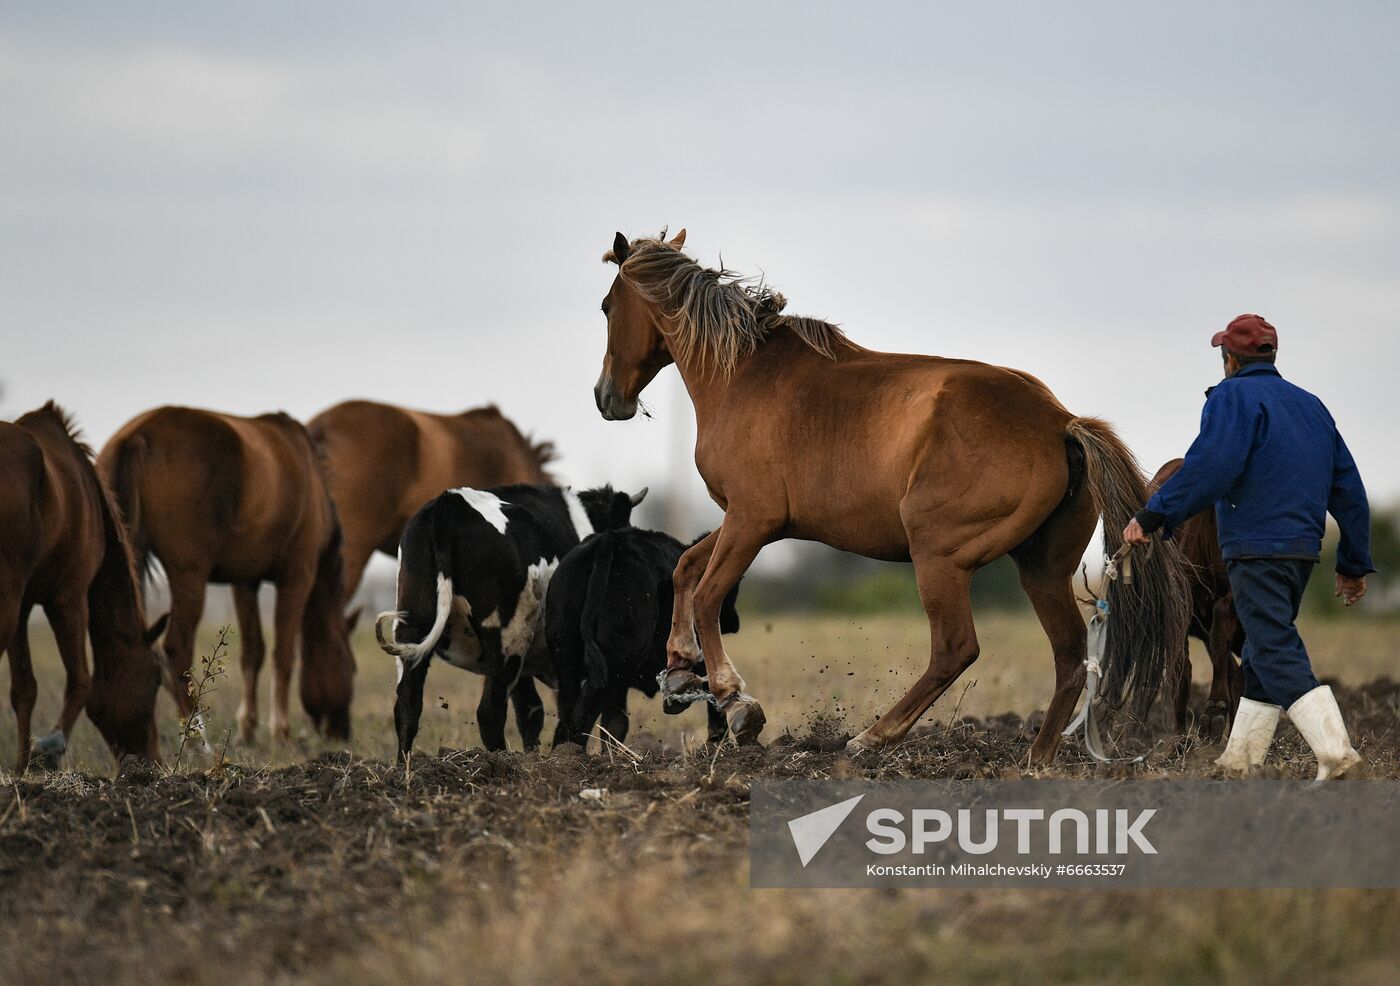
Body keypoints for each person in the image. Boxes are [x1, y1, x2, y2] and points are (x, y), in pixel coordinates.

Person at [1123, 313, 1373, 780]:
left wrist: (1153, 516)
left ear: (1229, 360)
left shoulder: (1232, 398)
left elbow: (1209, 467)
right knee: (1258, 650)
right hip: (1302, 550)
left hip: (1257, 548)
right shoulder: (1311, 406)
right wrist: (1353, 560)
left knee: (1274, 645)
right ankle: (1239, 759)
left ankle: (1338, 754)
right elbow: (1348, 487)